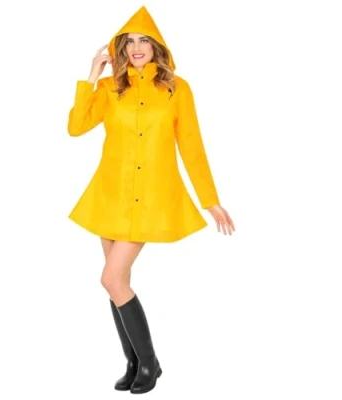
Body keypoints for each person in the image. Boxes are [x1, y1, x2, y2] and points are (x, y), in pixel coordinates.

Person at [66, 5, 235, 395]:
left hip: (149, 198)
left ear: (157, 46)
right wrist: (91, 76)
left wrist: (210, 200)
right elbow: (76, 127)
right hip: (110, 193)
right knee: (117, 283)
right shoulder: (110, 88)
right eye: (129, 42)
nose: (136, 47)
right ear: (120, 48)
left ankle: (150, 363)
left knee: (111, 278)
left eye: (144, 40)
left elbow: (191, 146)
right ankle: (133, 362)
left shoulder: (177, 88)